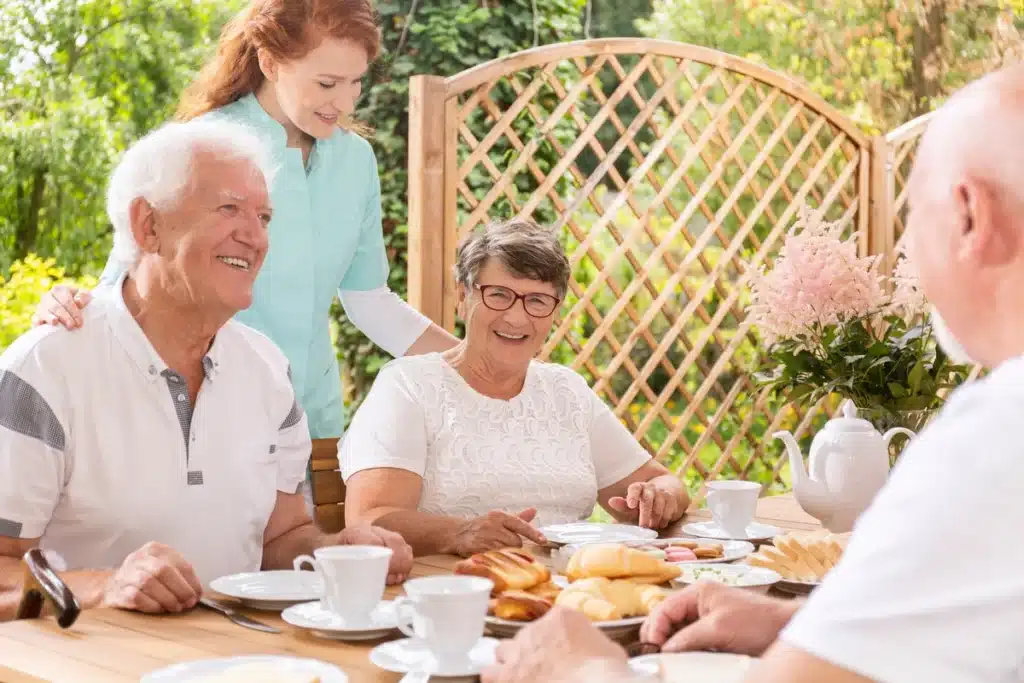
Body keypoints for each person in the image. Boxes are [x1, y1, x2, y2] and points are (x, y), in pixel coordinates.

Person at [481, 62, 1024, 683]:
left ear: (969, 216)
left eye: (911, 216)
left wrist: (581, 672)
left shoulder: (998, 437)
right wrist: (796, 627)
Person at [0, 120, 412, 621]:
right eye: (229, 209)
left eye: (263, 216)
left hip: (241, 658)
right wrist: (105, 586)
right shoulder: (43, 369)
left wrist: (341, 552)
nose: (256, 237)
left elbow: (281, 539)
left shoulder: (267, 369)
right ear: (147, 226)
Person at [31, 0, 457, 453]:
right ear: (270, 63)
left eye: (356, 82)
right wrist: (71, 305)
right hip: (202, 418)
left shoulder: (355, 160)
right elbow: (132, 275)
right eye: (327, 83)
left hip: (312, 424)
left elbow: (369, 301)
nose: (346, 102)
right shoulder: (203, 145)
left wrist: (474, 364)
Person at [340, 219, 690, 557]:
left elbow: (663, 482)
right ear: (463, 296)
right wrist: (459, 533)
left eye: (537, 301)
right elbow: (370, 518)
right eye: (499, 295)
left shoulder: (565, 390)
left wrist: (657, 498)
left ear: (555, 311)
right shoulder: (408, 386)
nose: (517, 318)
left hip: (568, 588)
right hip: (456, 589)